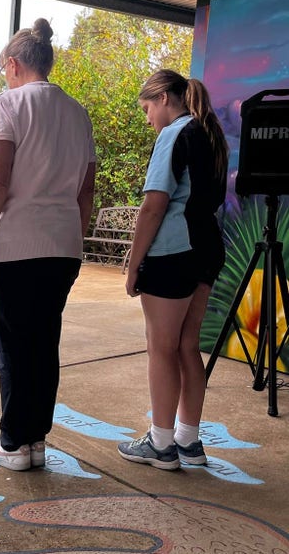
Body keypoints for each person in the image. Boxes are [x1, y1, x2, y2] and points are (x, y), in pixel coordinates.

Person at [0, 18, 96, 471]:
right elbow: (86, 192)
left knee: (12, 345)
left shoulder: (8, 104)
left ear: (13, 64)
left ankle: (12, 444)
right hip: (62, 246)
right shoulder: (77, 111)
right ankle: (36, 441)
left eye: (4, 67)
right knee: (44, 343)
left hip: (15, 246)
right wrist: (73, 238)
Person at [118, 69, 228, 470]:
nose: (148, 118)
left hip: (172, 253)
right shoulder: (210, 133)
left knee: (161, 347)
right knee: (186, 345)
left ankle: (161, 444)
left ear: (164, 97)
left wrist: (133, 265)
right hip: (206, 249)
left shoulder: (175, 133)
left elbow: (153, 205)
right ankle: (188, 441)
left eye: (147, 107)